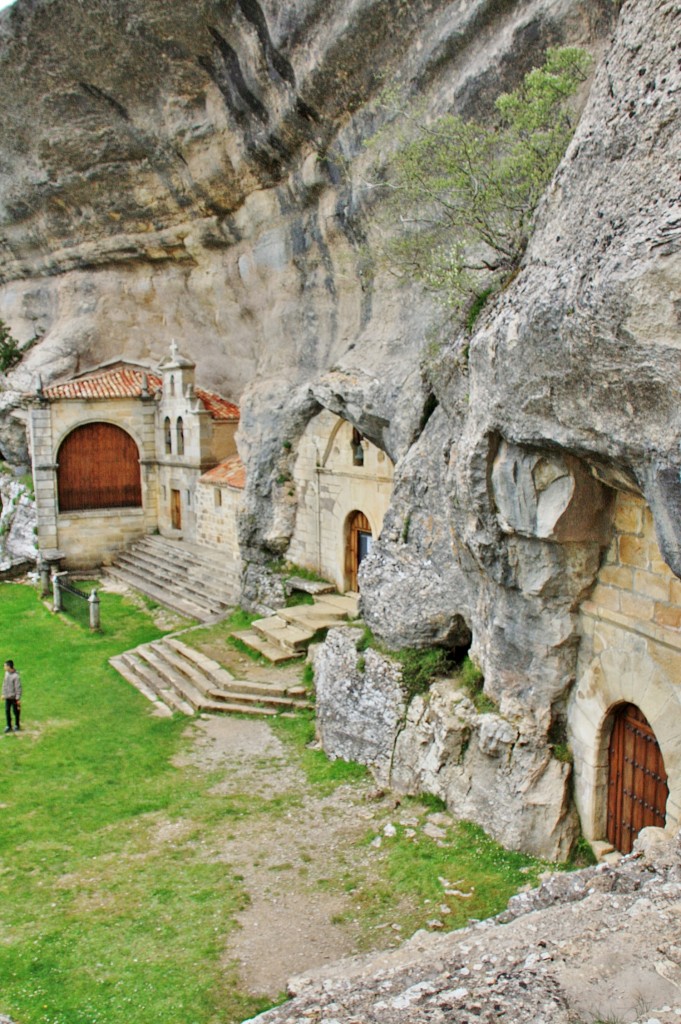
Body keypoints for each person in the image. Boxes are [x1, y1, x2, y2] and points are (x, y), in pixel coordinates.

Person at [3, 659, 22, 733]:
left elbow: (18, 688)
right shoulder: (6, 674)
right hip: (7, 697)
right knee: (7, 711)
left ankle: (17, 725)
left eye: (5, 666)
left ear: (9, 666)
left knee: (16, 712)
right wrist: (3, 694)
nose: (4, 667)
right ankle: (8, 725)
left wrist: (18, 698)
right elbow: (4, 684)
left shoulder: (16, 676)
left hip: (14, 698)